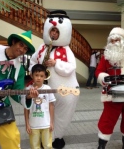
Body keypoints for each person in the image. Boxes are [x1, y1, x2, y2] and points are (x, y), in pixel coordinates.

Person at [28, 10, 79, 148]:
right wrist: (38, 69)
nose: (54, 34)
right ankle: (42, 136)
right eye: (52, 31)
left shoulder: (66, 50)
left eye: (57, 32)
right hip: (43, 88)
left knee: (62, 114)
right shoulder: (41, 48)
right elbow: (32, 62)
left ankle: (57, 136)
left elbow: (71, 67)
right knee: (41, 111)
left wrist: (56, 63)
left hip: (63, 89)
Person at [0, 30, 39, 149]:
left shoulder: (20, 68)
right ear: (13, 42)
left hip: (2, 107)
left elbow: (17, 91)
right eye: (21, 45)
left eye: (25, 49)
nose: (22, 50)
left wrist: (28, 96)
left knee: (12, 139)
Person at [95, 27, 124, 149]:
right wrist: (103, 77)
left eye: (117, 40)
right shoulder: (107, 56)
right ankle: (101, 144)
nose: (114, 43)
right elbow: (99, 71)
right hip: (112, 94)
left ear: (123, 42)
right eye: (112, 40)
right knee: (108, 119)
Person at [24, 64, 56, 149]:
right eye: (36, 75)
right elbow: (26, 108)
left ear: (45, 76)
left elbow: (51, 106)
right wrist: (27, 124)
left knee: (48, 146)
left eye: (41, 76)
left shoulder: (48, 89)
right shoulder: (27, 90)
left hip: (46, 124)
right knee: (34, 146)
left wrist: (52, 122)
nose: (39, 78)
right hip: (33, 125)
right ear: (31, 75)